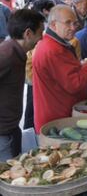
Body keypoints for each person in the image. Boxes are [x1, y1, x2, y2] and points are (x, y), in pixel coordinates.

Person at [32, 5, 87, 133]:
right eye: (68, 23)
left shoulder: (53, 44)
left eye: (75, 23)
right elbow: (75, 84)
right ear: (53, 25)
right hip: (58, 121)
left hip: (58, 117)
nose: (73, 27)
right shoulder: (54, 50)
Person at [0, 9, 44, 160]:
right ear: (28, 34)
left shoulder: (17, 52)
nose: (42, 38)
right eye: (40, 32)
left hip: (11, 129)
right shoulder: (7, 54)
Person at [24, 0, 55, 129]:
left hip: (33, 76)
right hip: (33, 77)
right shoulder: (35, 27)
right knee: (32, 109)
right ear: (45, 11)